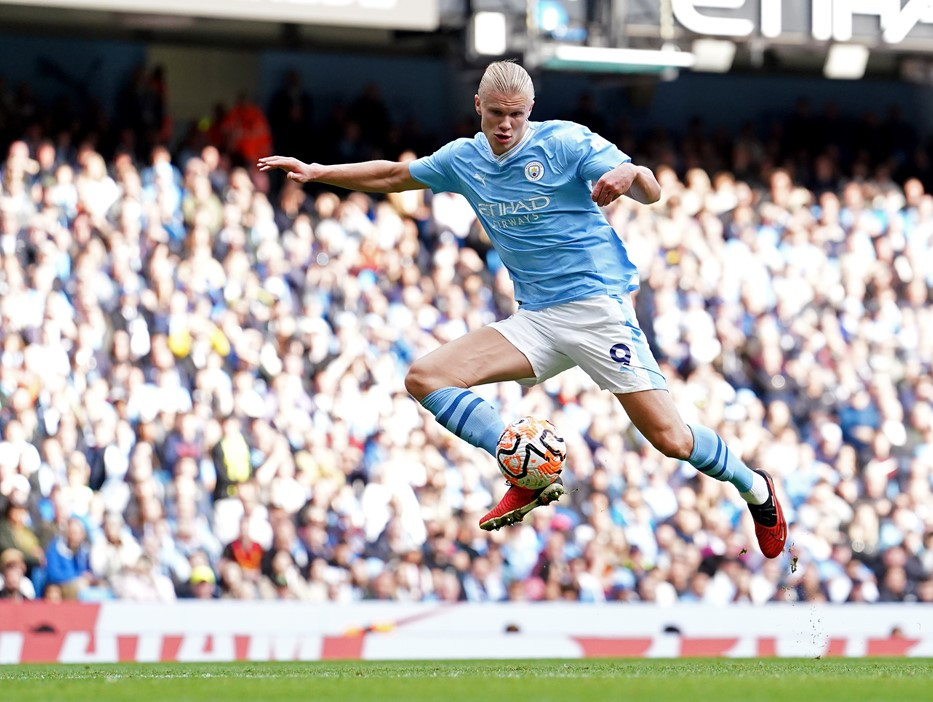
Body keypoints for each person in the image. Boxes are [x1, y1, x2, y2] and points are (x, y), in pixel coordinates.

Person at [258, 60, 788, 558]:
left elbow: (649, 191)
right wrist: (319, 171)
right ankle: (523, 469)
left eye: (516, 115)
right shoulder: (463, 159)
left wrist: (632, 175)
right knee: (425, 377)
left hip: (596, 309)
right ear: (478, 106)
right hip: (535, 317)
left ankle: (755, 486)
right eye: (496, 114)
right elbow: (397, 177)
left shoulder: (566, 141)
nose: (506, 125)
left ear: (530, 110)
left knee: (672, 440)